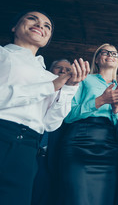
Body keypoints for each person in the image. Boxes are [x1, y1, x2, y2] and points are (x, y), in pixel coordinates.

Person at [0, 10, 89, 205]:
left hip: (28, 145)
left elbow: (50, 123)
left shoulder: (50, 77)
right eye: (33, 19)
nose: (40, 25)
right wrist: (51, 87)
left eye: (47, 26)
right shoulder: (2, 54)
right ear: (14, 27)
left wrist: (69, 88)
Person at [57, 43, 118, 205]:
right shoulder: (84, 80)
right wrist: (101, 100)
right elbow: (68, 115)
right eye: (105, 52)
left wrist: (116, 108)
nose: (111, 55)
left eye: (115, 53)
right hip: (80, 141)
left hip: (109, 146)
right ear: (97, 59)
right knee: (78, 199)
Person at [31, 59, 73, 205]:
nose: (63, 71)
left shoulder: (73, 97)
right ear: (49, 71)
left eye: (68, 70)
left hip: (55, 159)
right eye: (58, 68)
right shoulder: (38, 90)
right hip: (29, 153)